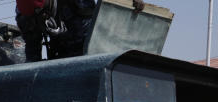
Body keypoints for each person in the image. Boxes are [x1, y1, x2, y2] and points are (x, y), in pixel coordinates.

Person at [17, 0, 145, 62]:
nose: (42, 15)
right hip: (62, 57)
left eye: (42, 10)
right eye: (35, 15)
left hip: (98, 49)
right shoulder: (26, 18)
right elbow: (32, 51)